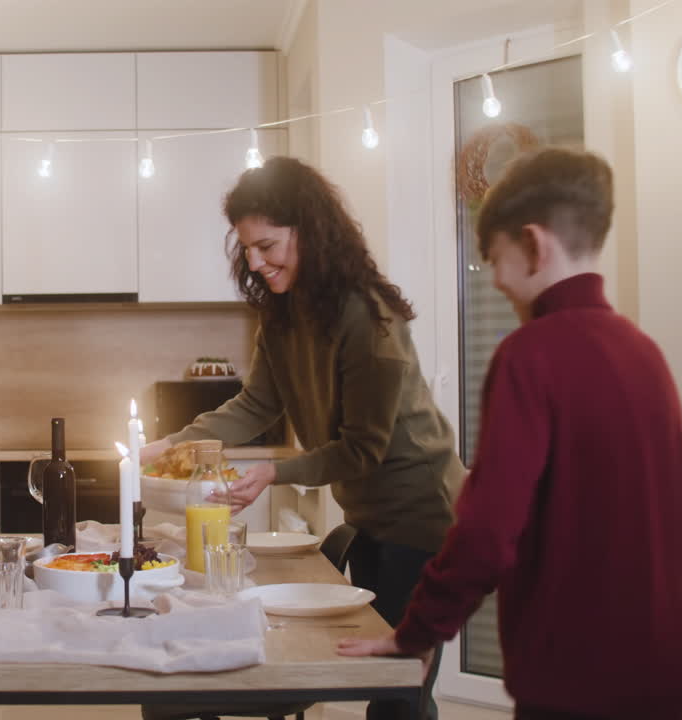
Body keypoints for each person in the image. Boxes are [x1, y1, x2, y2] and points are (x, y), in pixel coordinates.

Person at [338, 148, 682, 718]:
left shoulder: (530, 355)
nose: (495, 281)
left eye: (494, 258)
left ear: (535, 245)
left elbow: (487, 534)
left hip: (579, 671)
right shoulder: (645, 353)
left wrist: (414, 633)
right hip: (671, 663)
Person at [140, 156, 464, 720]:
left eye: (267, 245)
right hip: (371, 514)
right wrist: (172, 446)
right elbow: (256, 405)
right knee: (384, 681)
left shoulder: (369, 317)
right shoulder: (284, 318)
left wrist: (276, 472)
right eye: (246, 249)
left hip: (425, 514)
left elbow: (364, 448)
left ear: (309, 230)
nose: (255, 261)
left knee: (400, 691)